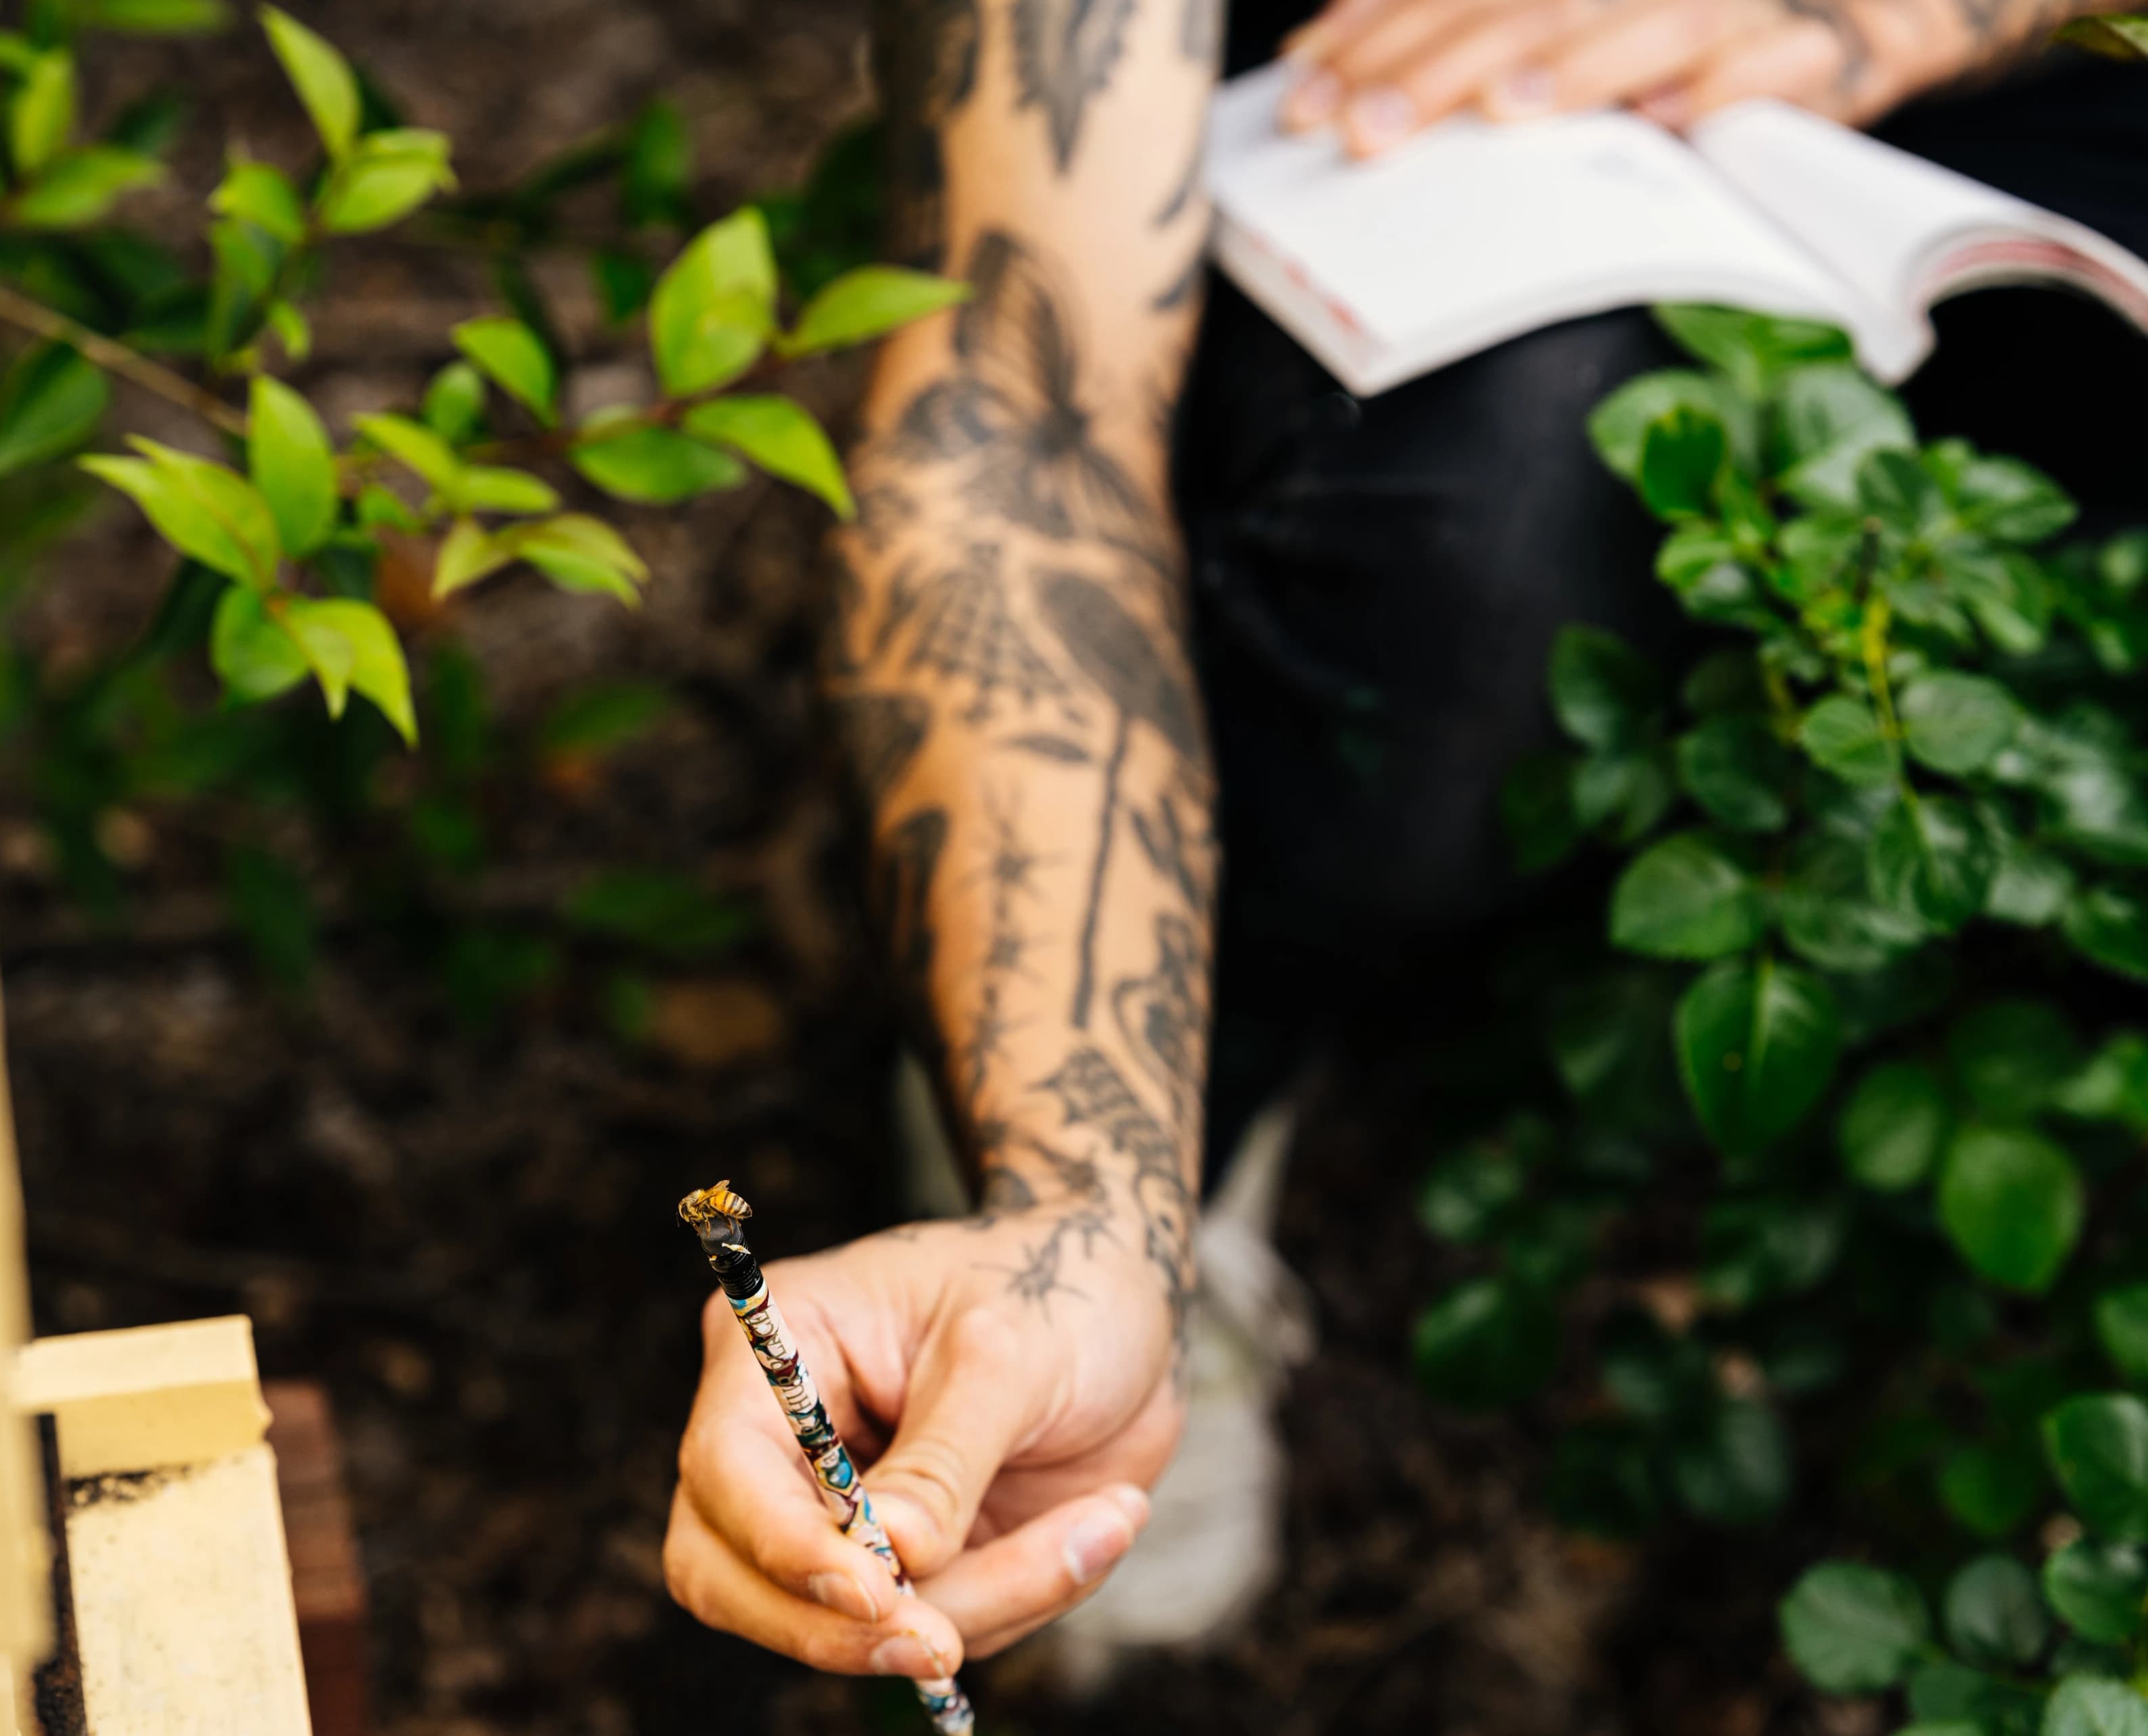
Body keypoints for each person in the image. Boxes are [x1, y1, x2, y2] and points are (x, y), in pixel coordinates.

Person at [661, 0, 2148, 1689]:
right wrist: (1086, 1205)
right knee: (1487, 544)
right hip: (1406, 160)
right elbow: (1026, 408)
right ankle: (1175, 1099)